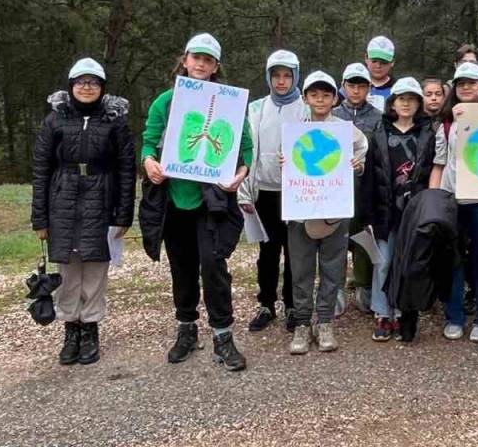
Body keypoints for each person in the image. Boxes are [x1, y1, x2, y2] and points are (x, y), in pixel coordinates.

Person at [140, 33, 252, 371]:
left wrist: (240, 174)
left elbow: (245, 147)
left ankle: (222, 335)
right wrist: (149, 162)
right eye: (196, 57)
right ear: (185, 60)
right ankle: (186, 328)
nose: (201, 64)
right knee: (182, 266)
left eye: (208, 60)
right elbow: (148, 141)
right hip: (175, 200)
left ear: (216, 66)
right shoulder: (165, 101)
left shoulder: (230, 102)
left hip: (211, 201)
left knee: (213, 266)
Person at [31, 58, 134, 366]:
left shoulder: (115, 122)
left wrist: (123, 214)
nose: (86, 87)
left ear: (102, 87)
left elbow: (126, 169)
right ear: (71, 85)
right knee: (68, 269)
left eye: (93, 82)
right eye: (81, 82)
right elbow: (41, 169)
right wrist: (40, 218)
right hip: (63, 197)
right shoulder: (55, 120)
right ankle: (70, 328)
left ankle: (90, 328)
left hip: (101, 197)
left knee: (95, 268)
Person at [287, 71, 369, 355]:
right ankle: (301, 323)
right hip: (301, 211)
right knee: (301, 269)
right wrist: (286, 161)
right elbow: (286, 164)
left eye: (326, 95)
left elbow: (362, 151)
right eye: (314, 95)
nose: (320, 100)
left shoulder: (346, 131)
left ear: (335, 99)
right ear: (305, 98)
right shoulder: (295, 131)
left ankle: (325, 322)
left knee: (333, 268)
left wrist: (357, 165)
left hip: (335, 210)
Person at [238, 50, 306, 334]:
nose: (281, 81)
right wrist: (245, 191)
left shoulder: (306, 108)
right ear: (268, 77)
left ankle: (292, 304)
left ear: (295, 77)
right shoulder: (256, 108)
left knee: (294, 252)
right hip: (263, 191)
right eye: (276, 75)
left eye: (287, 75)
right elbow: (246, 151)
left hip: (295, 192)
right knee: (268, 251)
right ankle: (266, 303)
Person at [367, 78, 436, 342]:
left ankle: (400, 310)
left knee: (407, 262)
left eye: (412, 99)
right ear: (392, 103)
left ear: (419, 104)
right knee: (383, 262)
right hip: (385, 210)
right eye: (401, 99)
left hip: (414, 211)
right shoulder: (379, 134)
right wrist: (369, 214)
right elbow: (370, 177)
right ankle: (381, 312)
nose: (406, 104)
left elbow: (431, 171)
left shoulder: (427, 134)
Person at [429, 62, 478, 341]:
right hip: (451, 200)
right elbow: (439, 164)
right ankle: (454, 316)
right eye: (461, 83)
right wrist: (434, 201)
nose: (466, 87)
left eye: (472, 82)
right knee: (452, 260)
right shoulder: (445, 122)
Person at [334, 61, 381, 314]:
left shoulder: (378, 117)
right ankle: (335, 288)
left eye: (361, 86)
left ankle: (364, 285)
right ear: (343, 86)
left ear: (368, 88)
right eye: (351, 85)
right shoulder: (332, 114)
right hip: (334, 190)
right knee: (336, 238)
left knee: (364, 235)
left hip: (365, 187)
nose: (356, 90)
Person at [363, 36, 397, 111]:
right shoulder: (351, 85)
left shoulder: (398, 90)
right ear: (366, 58)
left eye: (384, 62)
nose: (378, 66)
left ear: (392, 62)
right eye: (374, 61)